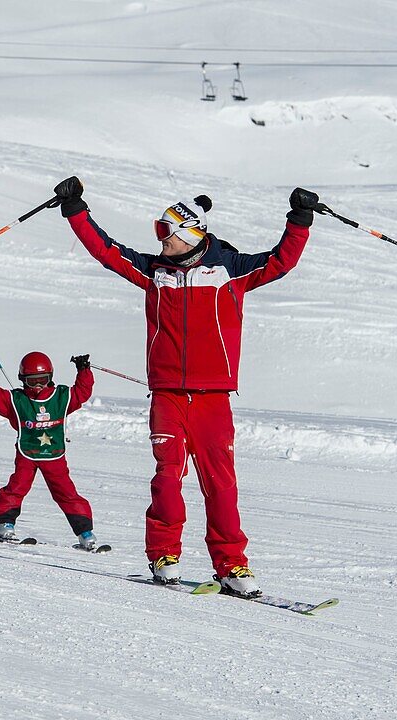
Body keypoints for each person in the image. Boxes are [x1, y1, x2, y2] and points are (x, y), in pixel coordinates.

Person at [51, 176, 319, 597]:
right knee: (168, 476)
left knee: (221, 484)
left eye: (165, 231)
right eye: (157, 230)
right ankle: (163, 554)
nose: (158, 239)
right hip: (168, 395)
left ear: (190, 233)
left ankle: (232, 564)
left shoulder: (230, 271)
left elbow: (281, 261)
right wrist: (75, 210)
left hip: (214, 396)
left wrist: (299, 219)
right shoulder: (154, 273)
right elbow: (106, 250)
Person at [0, 352, 100, 550]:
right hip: (27, 455)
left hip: (54, 456)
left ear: (50, 378)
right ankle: (4, 524)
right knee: (17, 488)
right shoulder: (16, 400)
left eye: (42, 380)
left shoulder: (61, 396)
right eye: (32, 381)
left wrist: (84, 370)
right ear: (22, 380)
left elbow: (82, 392)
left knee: (66, 493)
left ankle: (85, 532)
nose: (38, 386)